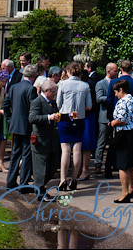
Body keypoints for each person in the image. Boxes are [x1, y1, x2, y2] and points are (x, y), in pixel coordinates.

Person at [56, 62, 91, 191]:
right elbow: (89, 106)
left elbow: (58, 102)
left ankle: (62, 179)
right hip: (79, 118)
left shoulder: (63, 84)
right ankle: (74, 179)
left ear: (69, 72)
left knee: (65, 150)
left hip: (65, 117)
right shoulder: (85, 85)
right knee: (77, 149)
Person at [4, 63, 38, 189]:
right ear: (34, 76)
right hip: (27, 126)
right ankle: (23, 183)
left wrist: (9, 119)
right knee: (26, 154)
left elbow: (6, 104)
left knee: (15, 154)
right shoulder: (31, 89)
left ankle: (10, 181)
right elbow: (33, 108)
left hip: (15, 124)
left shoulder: (14, 87)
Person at [109, 80, 133, 203]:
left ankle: (124, 193)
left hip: (125, 134)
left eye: (116, 92)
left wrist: (112, 123)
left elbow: (121, 119)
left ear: (121, 90)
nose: (115, 95)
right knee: (131, 163)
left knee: (122, 165)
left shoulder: (122, 102)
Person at [28, 79, 61, 201]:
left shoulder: (52, 102)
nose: (55, 94)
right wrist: (48, 117)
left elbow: (55, 115)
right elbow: (32, 118)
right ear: (46, 91)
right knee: (40, 168)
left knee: (53, 165)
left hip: (51, 139)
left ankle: (38, 186)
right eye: (53, 92)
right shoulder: (37, 102)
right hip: (40, 140)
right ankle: (40, 193)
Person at [94, 62, 117, 176]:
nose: (117, 72)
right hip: (104, 117)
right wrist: (111, 98)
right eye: (115, 71)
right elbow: (98, 98)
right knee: (101, 141)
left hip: (115, 116)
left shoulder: (118, 82)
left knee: (115, 142)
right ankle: (98, 164)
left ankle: (113, 163)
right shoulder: (100, 83)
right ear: (108, 71)